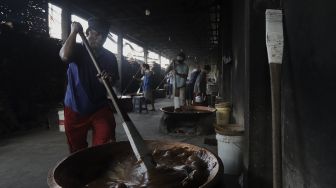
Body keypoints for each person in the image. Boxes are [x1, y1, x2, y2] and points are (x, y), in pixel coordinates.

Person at [59, 18, 119, 153]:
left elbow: (114, 80)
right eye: (96, 34)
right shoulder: (77, 50)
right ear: (88, 33)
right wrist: (73, 32)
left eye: (103, 35)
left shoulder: (110, 57)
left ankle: (100, 166)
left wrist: (107, 81)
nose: (100, 38)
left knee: (105, 142)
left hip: (99, 107)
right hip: (75, 108)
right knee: (77, 150)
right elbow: (64, 56)